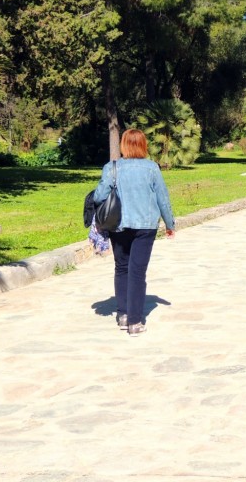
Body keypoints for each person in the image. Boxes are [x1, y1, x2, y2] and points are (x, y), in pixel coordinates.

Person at [92, 128, 176, 336]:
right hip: (145, 226)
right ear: (143, 145)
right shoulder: (151, 168)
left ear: (123, 145)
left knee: (122, 268)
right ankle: (135, 322)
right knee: (137, 271)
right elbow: (162, 198)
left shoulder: (112, 168)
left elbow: (99, 196)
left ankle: (123, 315)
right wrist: (170, 223)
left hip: (118, 225)